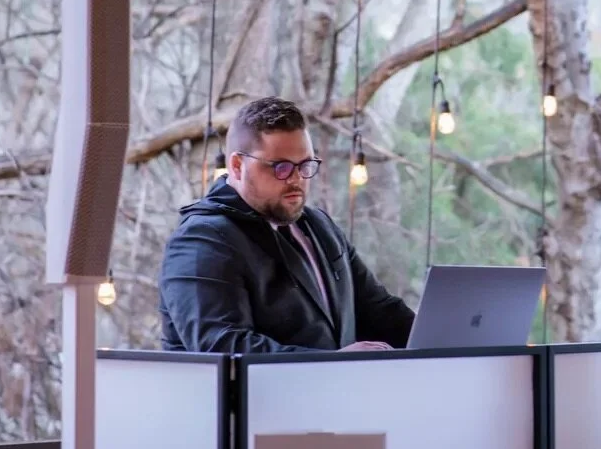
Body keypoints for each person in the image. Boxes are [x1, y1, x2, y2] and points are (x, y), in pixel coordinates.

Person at [158, 96, 415, 354]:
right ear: (237, 165)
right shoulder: (201, 240)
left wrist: (435, 337)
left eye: (306, 165)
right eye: (281, 167)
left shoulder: (319, 226)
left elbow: (379, 311)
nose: (296, 179)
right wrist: (335, 365)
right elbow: (223, 346)